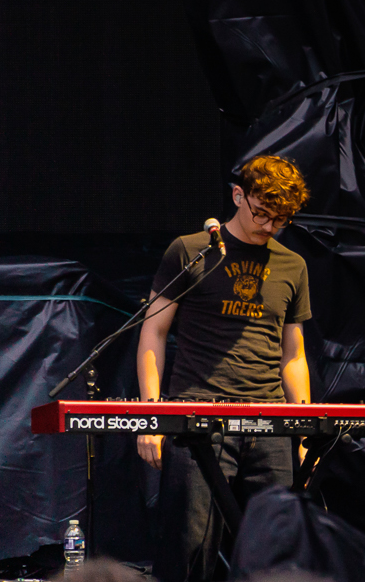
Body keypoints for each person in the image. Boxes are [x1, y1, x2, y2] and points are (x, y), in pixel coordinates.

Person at [136, 155, 313, 582]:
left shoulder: (293, 265)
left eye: (281, 220)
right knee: (189, 549)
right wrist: (151, 416)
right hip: (198, 416)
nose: (269, 227)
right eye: (263, 214)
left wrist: (304, 431)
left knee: (279, 553)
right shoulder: (191, 251)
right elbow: (153, 333)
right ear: (239, 195)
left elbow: (294, 356)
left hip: (271, 422)